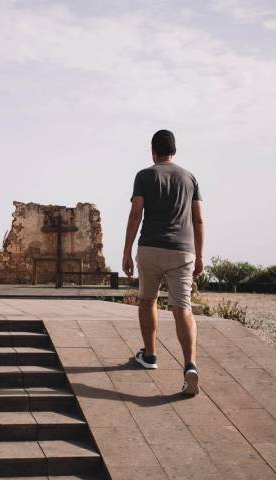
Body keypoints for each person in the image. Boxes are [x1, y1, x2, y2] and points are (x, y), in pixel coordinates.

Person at [122, 129, 204, 395]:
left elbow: (135, 215)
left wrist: (126, 251)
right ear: (175, 151)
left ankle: (150, 355)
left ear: (152, 151)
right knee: (183, 308)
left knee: (148, 300)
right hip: (182, 251)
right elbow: (198, 219)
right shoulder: (190, 178)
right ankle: (190, 364)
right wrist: (200, 256)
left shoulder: (144, 176)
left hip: (150, 248)